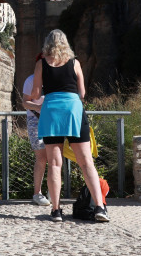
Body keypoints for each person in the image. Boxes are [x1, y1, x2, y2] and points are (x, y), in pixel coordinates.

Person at [26, 29, 109, 223]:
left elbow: (36, 94)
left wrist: (31, 97)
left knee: (54, 163)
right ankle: (99, 207)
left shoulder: (41, 63)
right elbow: (81, 93)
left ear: (47, 44)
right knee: (86, 161)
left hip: (51, 112)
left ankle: (56, 211)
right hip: (74, 111)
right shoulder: (75, 63)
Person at [21, 55, 51, 207]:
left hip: (52, 120)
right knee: (41, 157)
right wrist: (38, 107)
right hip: (35, 119)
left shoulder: (54, 80)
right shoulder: (30, 80)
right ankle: (37, 193)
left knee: (54, 157)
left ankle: (52, 191)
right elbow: (25, 102)